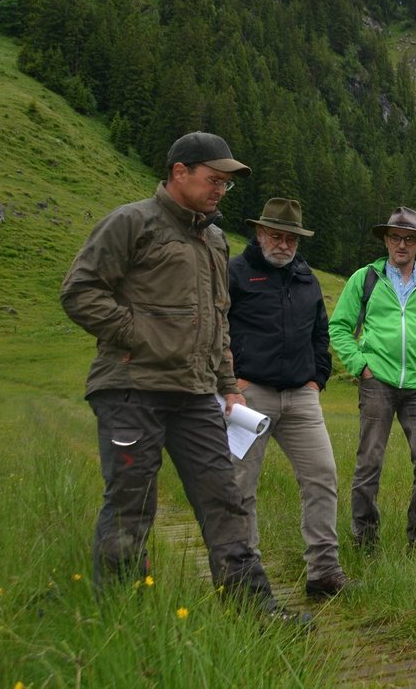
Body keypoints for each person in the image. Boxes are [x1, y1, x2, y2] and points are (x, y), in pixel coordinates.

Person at [60, 131, 300, 622]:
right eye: (214, 179)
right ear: (179, 172)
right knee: (131, 503)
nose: (220, 190)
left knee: (225, 498)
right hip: (130, 389)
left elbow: (218, 319)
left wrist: (227, 385)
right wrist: (139, 333)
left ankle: (254, 611)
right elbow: (80, 291)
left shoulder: (214, 240)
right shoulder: (132, 222)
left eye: (226, 184)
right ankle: (121, 615)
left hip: (196, 395)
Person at [228, 198, 352, 599]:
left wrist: (317, 379)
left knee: (322, 476)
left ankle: (324, 572)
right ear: (259, 233)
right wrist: (230, 382)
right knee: (240, 484)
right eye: (276, 236)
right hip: (249, 396)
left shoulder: (305, 277)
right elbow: (215, 329)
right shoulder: (235, 273)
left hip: (301, 398)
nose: (283, 245)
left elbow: (320, 332)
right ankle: (245, 575)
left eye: (291, 239)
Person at [328, 206, 416, 549]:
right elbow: (339, 327)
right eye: (395, 237)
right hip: (377, 382)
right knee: (369, 461)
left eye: (409, 239)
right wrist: (361, 366)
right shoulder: (365, 279)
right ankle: (364, 541)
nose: (401, 244)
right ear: (386, 240)